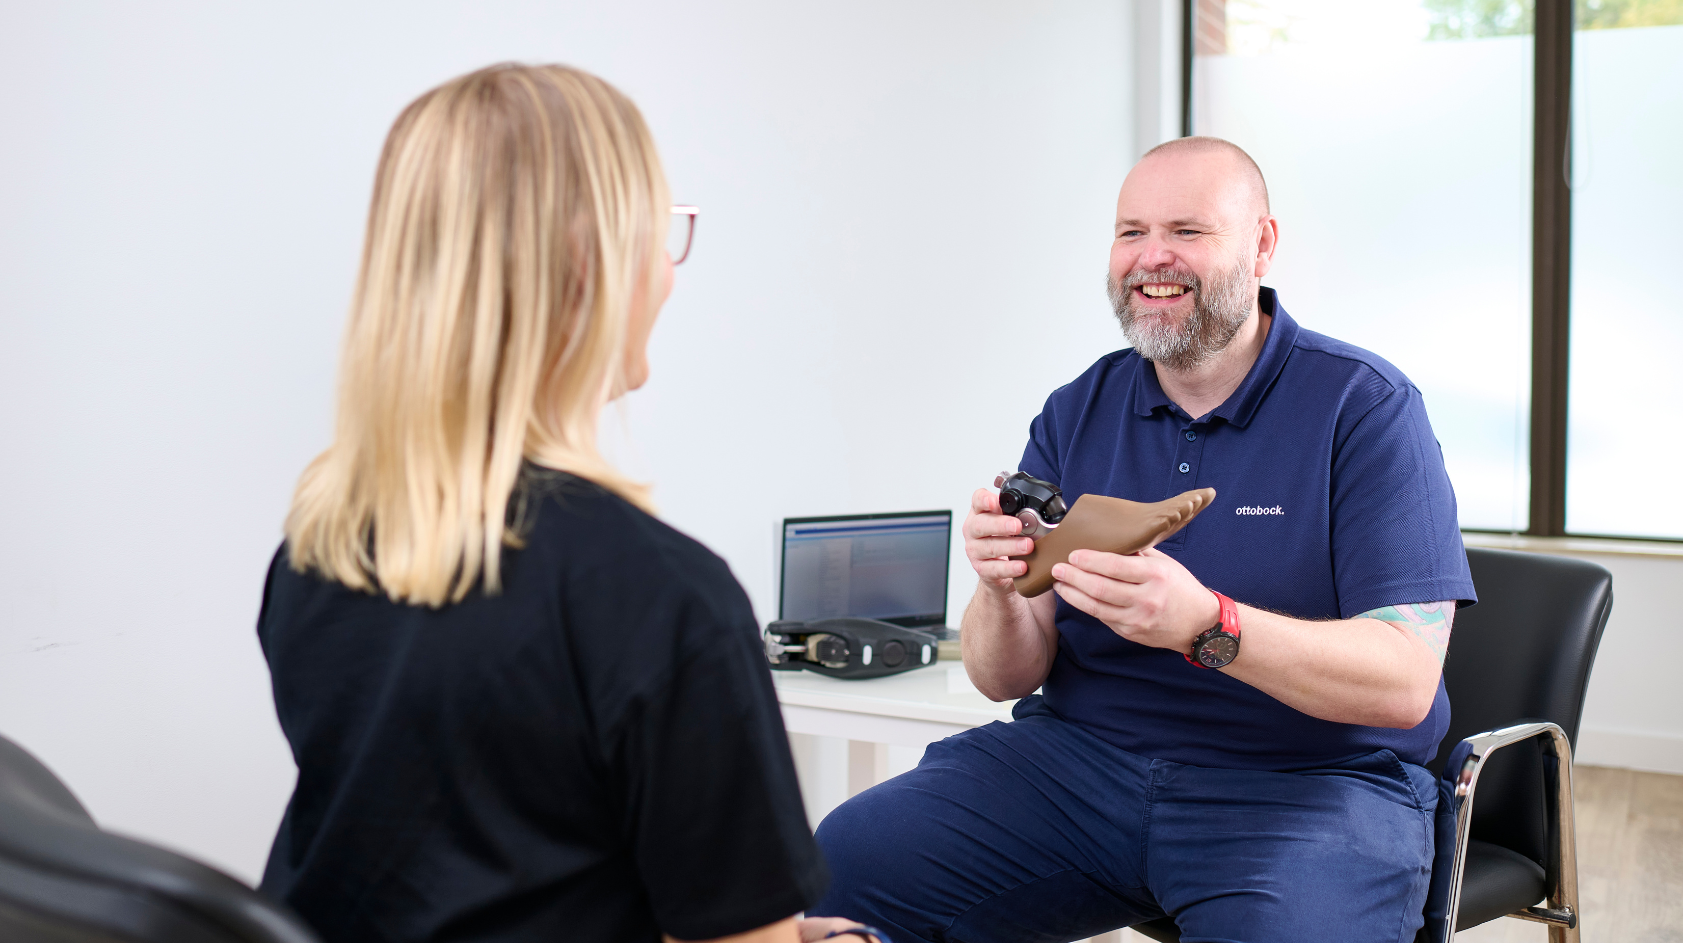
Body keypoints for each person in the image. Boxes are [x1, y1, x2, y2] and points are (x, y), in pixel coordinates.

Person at [255, 63, 874, 943]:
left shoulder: (320, 550)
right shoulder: (662, 600)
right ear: (587, 266)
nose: (666, 273)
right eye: (655, 235)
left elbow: (468, 874)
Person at [810, 136, 1476, 943]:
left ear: (1261, 243)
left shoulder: (1364, 408)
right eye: (1131, 231)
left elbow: (1403, 682)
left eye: (1187, 231)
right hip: (1076, 768)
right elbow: (998, 676)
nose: (1151, 257)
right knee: (839, 868)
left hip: (1311, 786)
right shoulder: (1076, 408)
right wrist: (996, 586)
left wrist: (1207, 626)